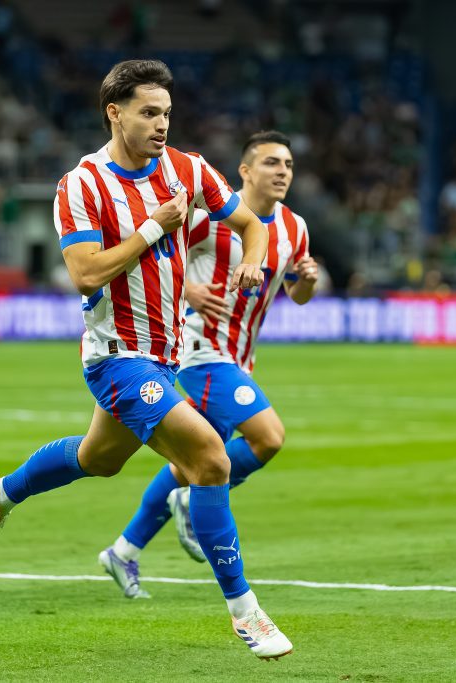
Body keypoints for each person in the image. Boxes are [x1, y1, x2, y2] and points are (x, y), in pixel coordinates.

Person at [0, 60, 293, 660]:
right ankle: (246, 612)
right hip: (117, 357)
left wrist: (252, 259)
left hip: (165, 356)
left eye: (166, 113)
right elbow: (85, 273)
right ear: (115, 113)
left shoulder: (188, 169)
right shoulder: (82, 184)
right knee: (211, 459)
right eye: (149, 113)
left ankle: (0, 493)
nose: (162, 124)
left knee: (99, 459)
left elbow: (252, 224)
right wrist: (153, 227)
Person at [103, 130, 318, 588]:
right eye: (272, 163)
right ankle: (189, 502)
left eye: (288, 165)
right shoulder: (210, 216)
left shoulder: (294, 227)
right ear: (245, 171)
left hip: (239, 357)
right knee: (268, 437)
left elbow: (296, 294)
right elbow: (156, 261)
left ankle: (123, 552)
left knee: (192, 462)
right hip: (200, 351)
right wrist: (189, 290)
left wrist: (308, 282)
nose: (283, 172)